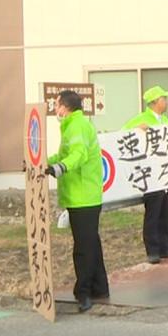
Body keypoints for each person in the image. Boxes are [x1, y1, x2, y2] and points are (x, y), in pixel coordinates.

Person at [46, 90, 108, 313]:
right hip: (83, 195)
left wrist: (59, 168)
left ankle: (83, 292)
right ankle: (100, 288)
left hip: (83, 196)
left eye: (56, 105)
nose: (55, 110)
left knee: (83, 247)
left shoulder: (77, 126)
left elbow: (78, 155)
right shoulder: (73, 125)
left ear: (64, 106)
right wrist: (44, 163)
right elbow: (63, 155)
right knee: (91, 243)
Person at [122, 86, 168, 264]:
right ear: (155, 102)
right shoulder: (140, 119)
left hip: (167, 175)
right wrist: (135, 131)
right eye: (164, 98)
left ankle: (166, 247)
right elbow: (122, 135)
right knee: (153, 214)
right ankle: (153, 250)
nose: (167, 102)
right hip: (151, 176)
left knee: (167, 212)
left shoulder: (165, 120)